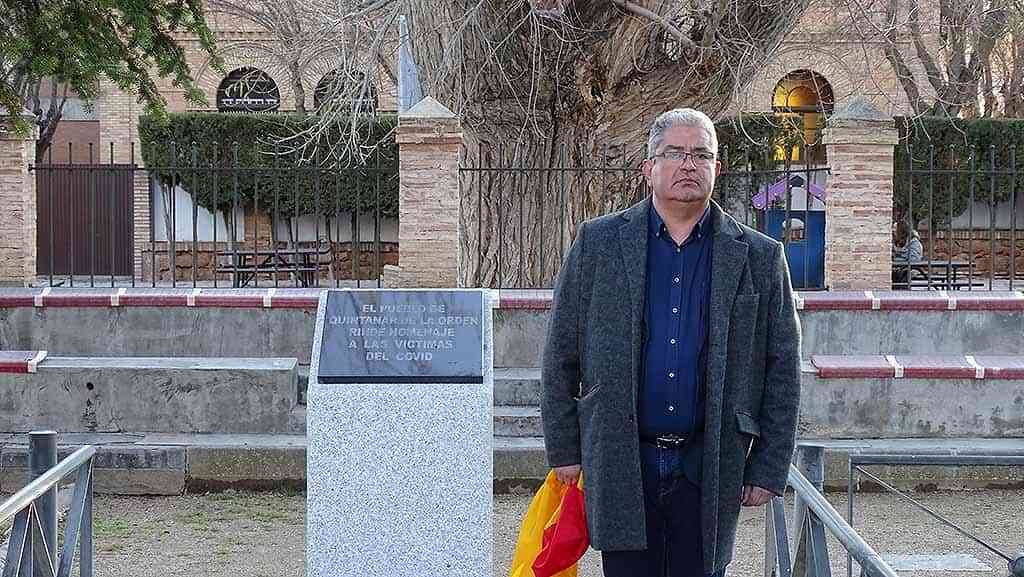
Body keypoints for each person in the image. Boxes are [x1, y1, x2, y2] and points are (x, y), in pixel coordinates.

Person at [541, 108, 802, 577]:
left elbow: (782, 366)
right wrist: (564, 449)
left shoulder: (761, 257)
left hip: (710, 461)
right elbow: (562, 351)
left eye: (701, 154)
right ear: (649, 167)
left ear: (716, 169)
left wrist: (767, 467)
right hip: (623, 457)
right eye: (675, 153)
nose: (689, 164)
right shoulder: (597, 243)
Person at [892, 219, 923, 286]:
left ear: (901, 230)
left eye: (895, 228)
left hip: (907, 270)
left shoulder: (914, 243)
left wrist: (899, 262)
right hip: (897, 269)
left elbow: (914, 260)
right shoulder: (896, 242)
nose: (893, 230)